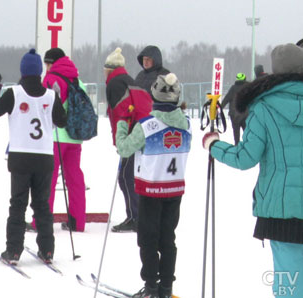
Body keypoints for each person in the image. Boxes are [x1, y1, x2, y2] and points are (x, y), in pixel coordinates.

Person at [204, 43, 303, 298]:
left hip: (281, 210)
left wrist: (214, 146)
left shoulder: (263, 107)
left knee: (289, 284)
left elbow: (245, 157)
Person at [0, 49, 67, 265]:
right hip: (44, 157)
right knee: (42, 205)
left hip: (20, 156)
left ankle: (13, 250)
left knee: (18, 204)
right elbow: (62, 122)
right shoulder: (51, 95)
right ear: (39, 71)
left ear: (23, 70)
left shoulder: (15, 93)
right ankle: (47, 250)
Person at [115, 73, 191, 298]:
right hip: (175, 189)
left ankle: (150, 286)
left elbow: (125, 149)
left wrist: (121, 126)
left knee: (147, 240)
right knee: (168, 238)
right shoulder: (186, 123)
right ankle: (166, 287)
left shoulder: (147, 125)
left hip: (150, 189)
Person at [28, 48, 87, 232]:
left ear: (51, 63)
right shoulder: (78, 80)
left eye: (47, 63)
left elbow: (43, 107)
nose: (46, 67)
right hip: (74, 137)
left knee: (47, 180)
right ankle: (77, 221)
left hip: (54, 137)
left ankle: (41, 221)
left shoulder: (51, 80)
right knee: (74, 178)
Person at [105, 47, 153, 233]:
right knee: (130, 176)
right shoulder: (129, 80)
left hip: (133, 134)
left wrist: (121, 141)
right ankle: (137, 215)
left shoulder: (115, 83)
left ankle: (136, 217)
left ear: (109, 68)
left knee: (126, 177)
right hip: (144, 130)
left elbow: (120, 114)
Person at [220, 72, 249, 144]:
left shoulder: (233, 88)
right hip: (245, 115)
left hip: (234, 115)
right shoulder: (248, 88)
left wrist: (220, 107)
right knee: (247, 133)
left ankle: (237, 147)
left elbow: (226, 99)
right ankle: (248, 147)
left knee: (236, 135)